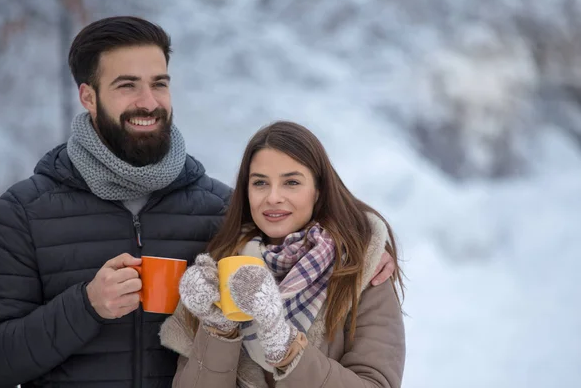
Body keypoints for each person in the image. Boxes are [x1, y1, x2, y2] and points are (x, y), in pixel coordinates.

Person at [0, 17, 395, 387]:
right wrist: (85, 307)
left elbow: (298, 220)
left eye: (159, 83)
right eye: (127, 85)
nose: (149, 101)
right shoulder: (24, 213)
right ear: (88, 96)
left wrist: (361, 248)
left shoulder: (221, 211)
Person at [160, 121, 406, 387]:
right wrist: (219, 327)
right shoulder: (222, 268)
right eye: (260, 183)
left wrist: (288, 349)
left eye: (291, 182)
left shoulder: (361, 270)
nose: (273, 197)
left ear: (318, 191)